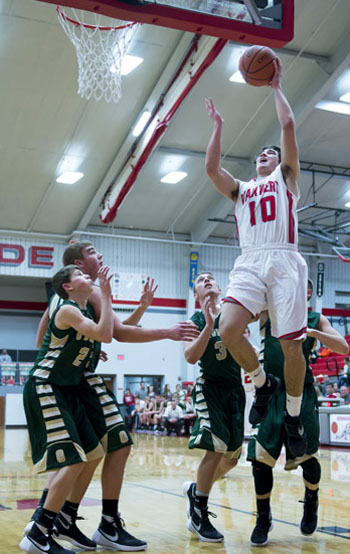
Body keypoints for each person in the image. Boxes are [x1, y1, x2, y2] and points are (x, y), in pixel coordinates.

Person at [26, 240, 199, 552]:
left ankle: (58, 517)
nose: (100, 256)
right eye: (93, 253)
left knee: (92, 451)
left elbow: (52, 337)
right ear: (78, 264)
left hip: (74, 379)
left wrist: (87, 344)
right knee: (111, 444)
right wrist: (166, 332)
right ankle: (81, 522)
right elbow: (115, 332)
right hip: (70, 382)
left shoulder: (64, 298)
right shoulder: (85, 292)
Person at [205, 57, 308, 459]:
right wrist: (217, 128)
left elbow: (287, 127)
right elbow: (212, 168)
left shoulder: (287, 179)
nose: (266, 156)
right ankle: (264, 384)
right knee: (228, 331)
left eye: (271, 154)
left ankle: (294, 417)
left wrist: (275, 86)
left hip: (284, 260)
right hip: (249, 260)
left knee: (292, 349)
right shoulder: (242, 190)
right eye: (262, 155)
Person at [20, 264, 114, 554]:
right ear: (68, 287)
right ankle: (39, 531)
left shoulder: (81, 312)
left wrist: (89, 348)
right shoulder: (68, 309)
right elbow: (106, 333)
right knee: (73, 459)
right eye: (80, 275)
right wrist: (108, 296)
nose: (88, 277)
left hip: (66, 389)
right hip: (46, 385)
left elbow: (97, 337)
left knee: (93, 454)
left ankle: (65, 520)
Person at [247, 279, 348, 547]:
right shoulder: (270, 312)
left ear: (308, 292)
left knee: (308, 458)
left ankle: (312, 500)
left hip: (301, 393)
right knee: (260, 460)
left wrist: (314, 334)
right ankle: (263, 517)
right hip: (271, 391)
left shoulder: (316, 318)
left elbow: (343, 348)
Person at [182, 272, 245, 543]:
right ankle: (199, 513)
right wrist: (208, 324)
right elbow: (190, 355)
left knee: (231, 458)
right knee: (215, 447)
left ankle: (197, 490)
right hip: (210, 387)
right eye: (200, 280)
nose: (206, 280)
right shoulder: (194, 321)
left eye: (211, 278)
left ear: (220, 288)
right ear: (196, 295)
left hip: (235, 389)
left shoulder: (235, 315)